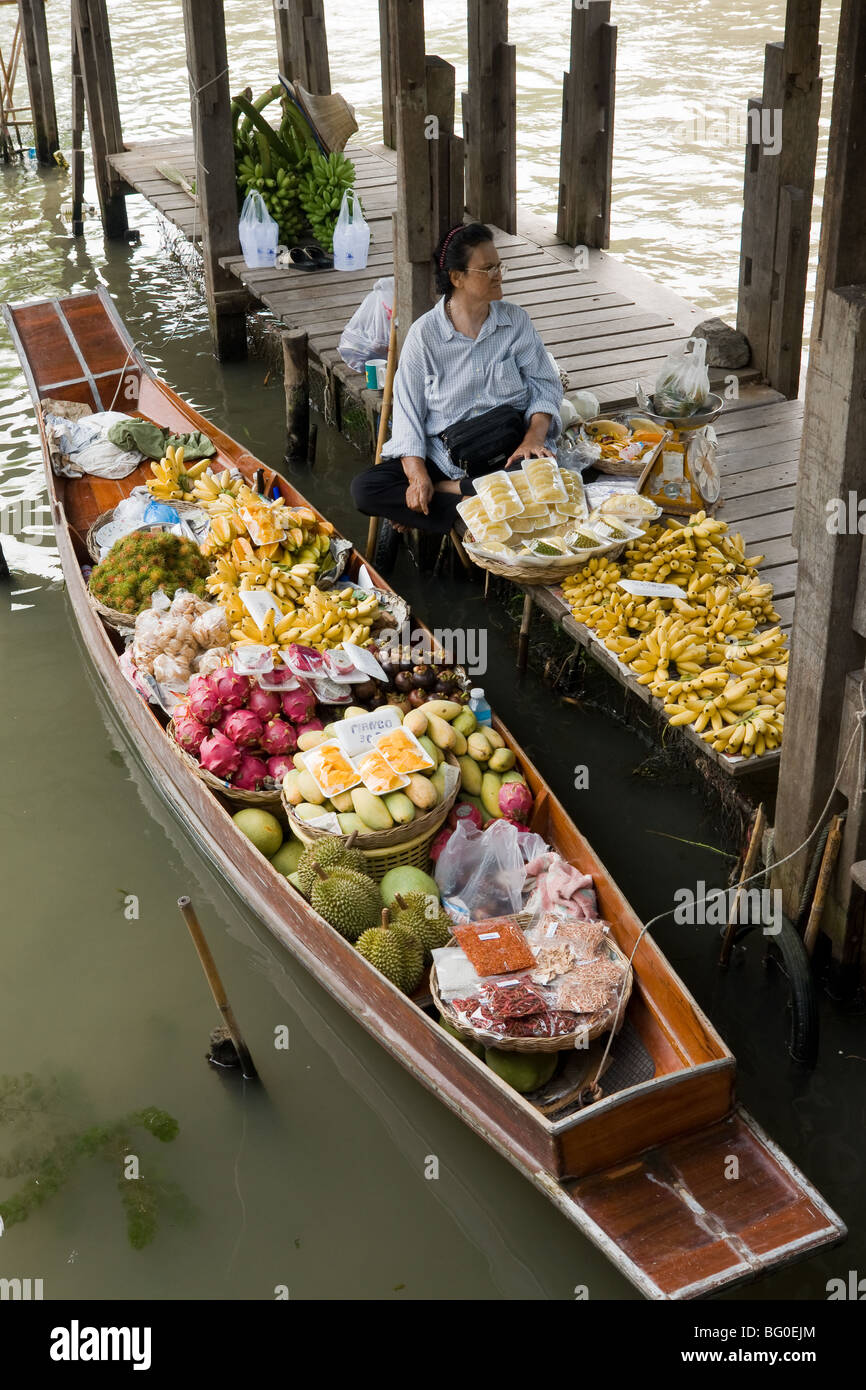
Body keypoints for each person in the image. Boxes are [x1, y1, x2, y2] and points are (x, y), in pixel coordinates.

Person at [351, 222, 562, 539]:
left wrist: (534, 437)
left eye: (499, 266)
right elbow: (407, 414)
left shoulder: (515, 322)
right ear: (456, 277)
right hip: (447, 454)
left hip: (507, 451)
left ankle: (447, 495)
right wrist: (418, 475)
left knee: (542, 479)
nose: (498, 275)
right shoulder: (425, 336)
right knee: (366, 489)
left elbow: (545, 385)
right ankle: (468, 498)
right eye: (487, 269)